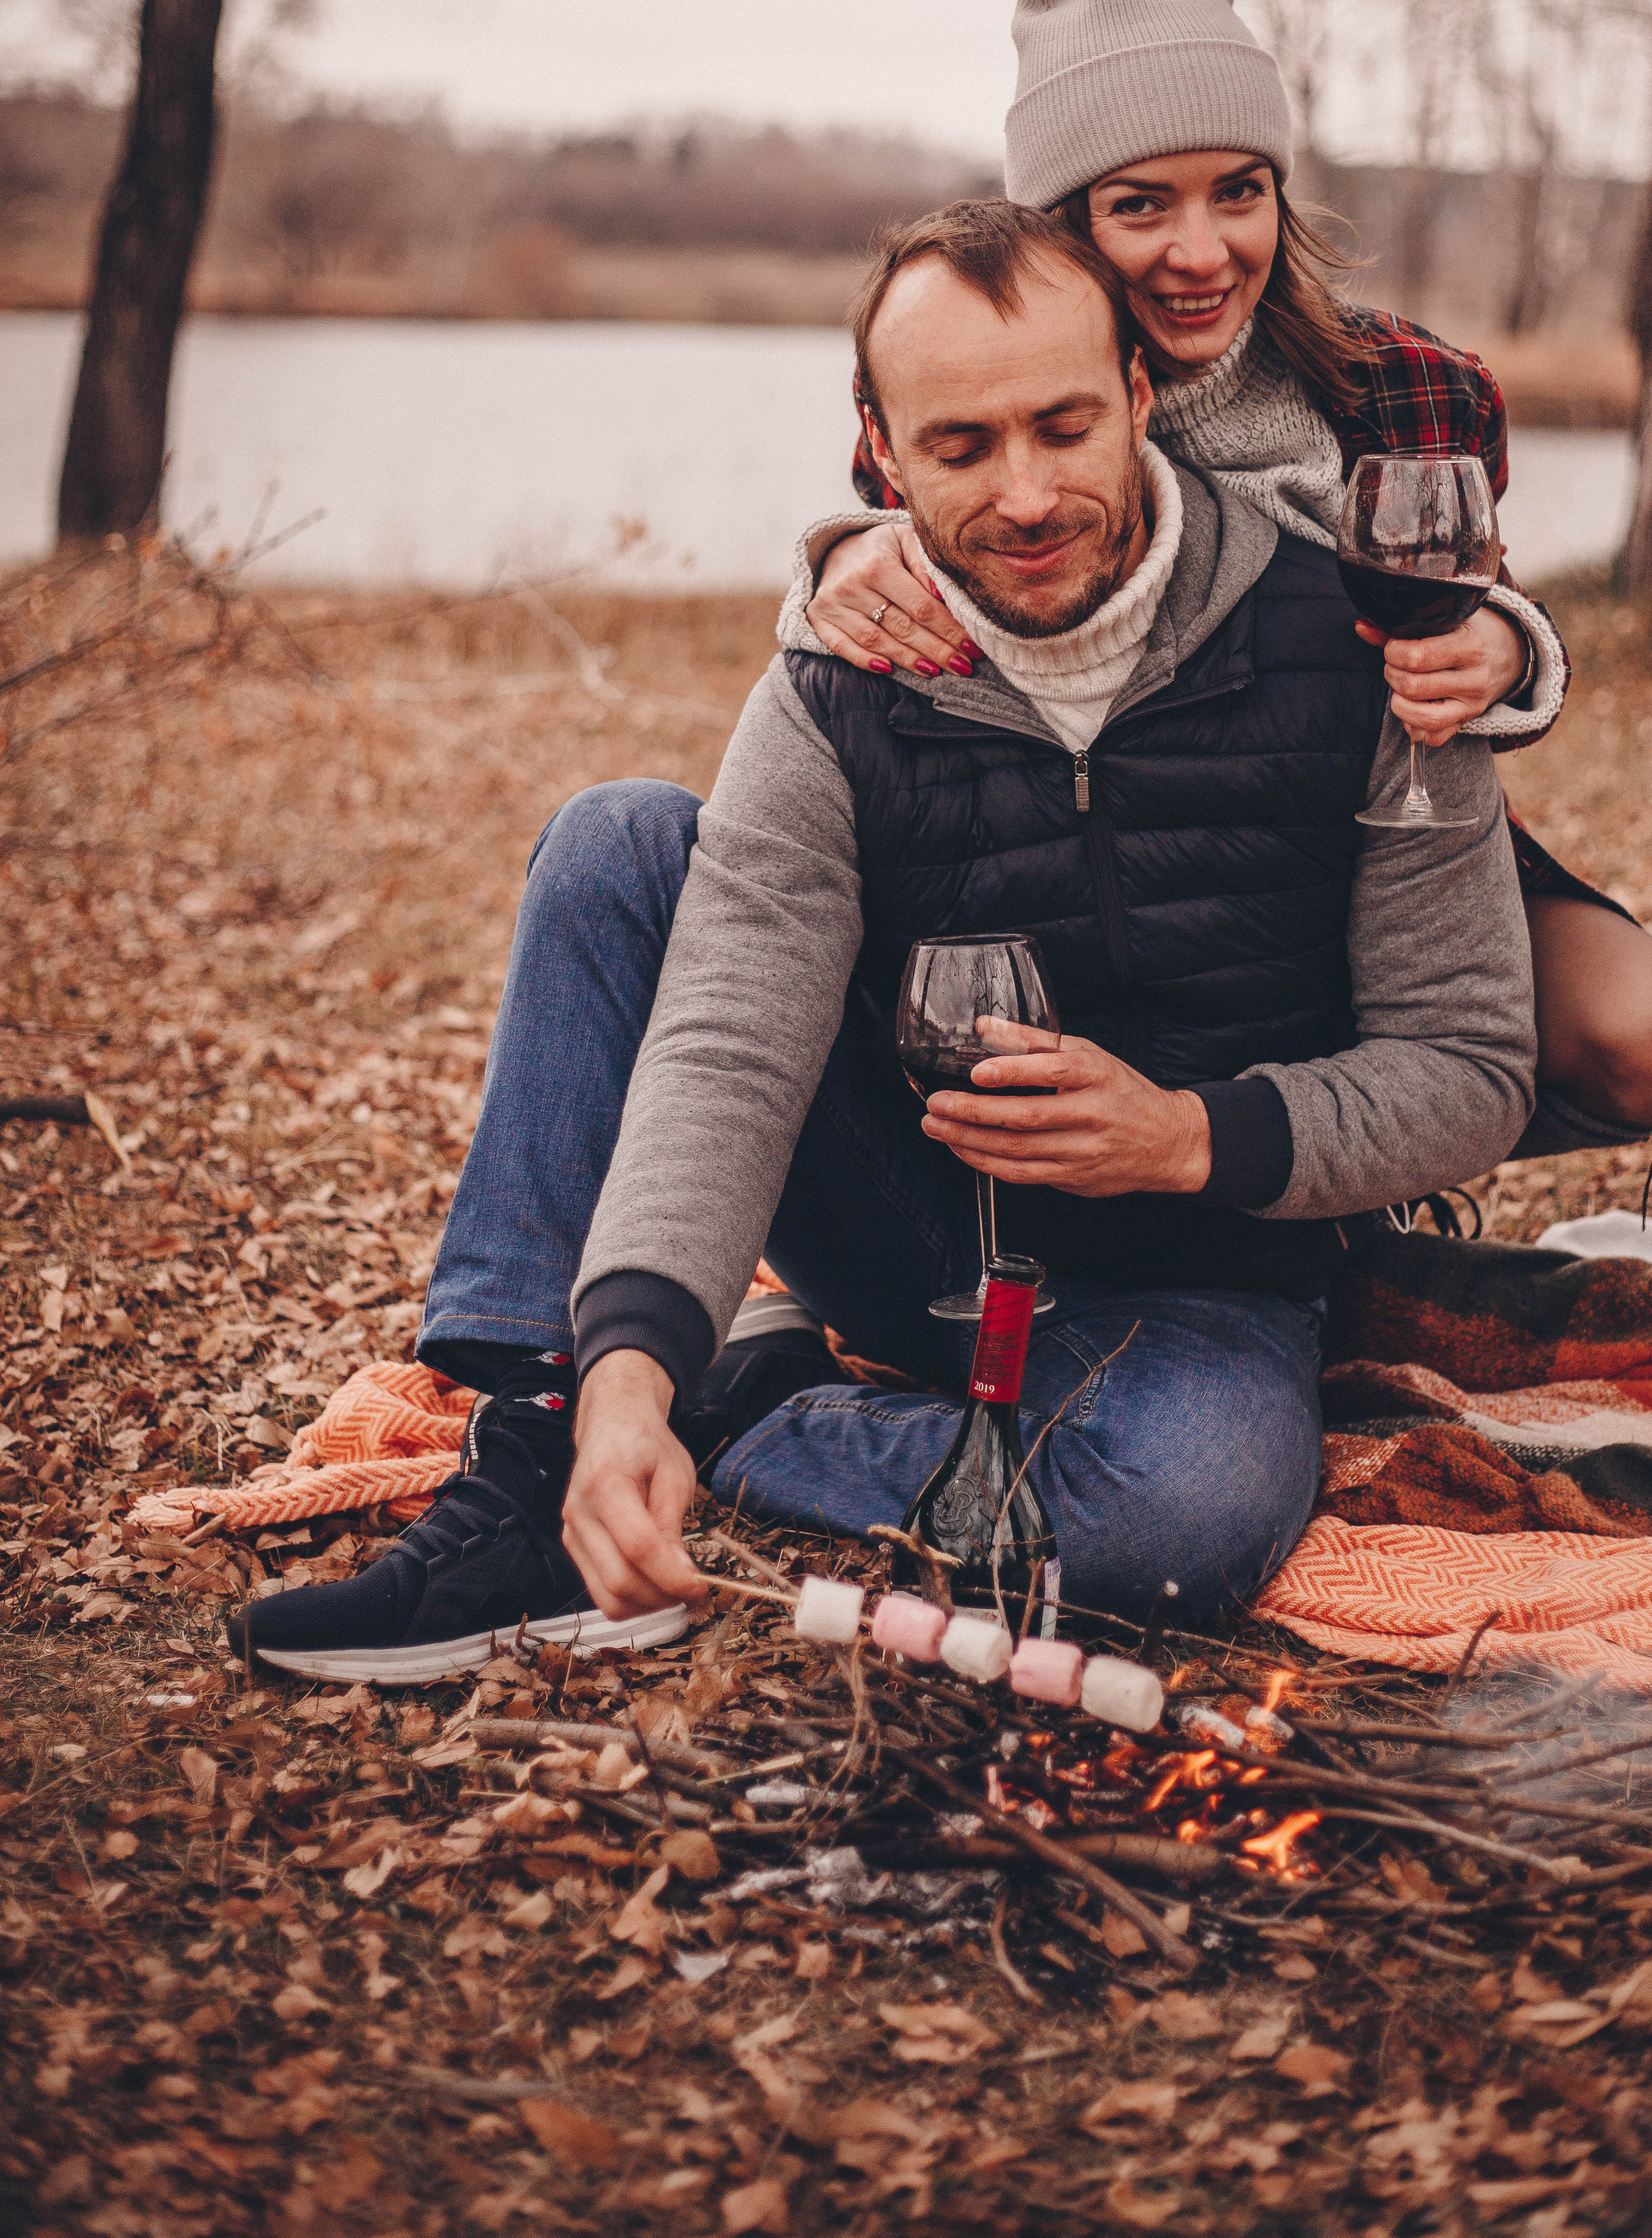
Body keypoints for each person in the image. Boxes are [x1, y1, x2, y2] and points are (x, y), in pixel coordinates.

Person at [231, 197, 1536, 1683]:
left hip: (1191, 1278)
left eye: (1060, 425)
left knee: (1171, 1527)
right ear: (882, 448)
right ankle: (547, 1446)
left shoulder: (1369, 651)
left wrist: (1186, 1135)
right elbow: (729, 1041)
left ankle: (759, 1412)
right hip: (902, 1226)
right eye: (961, 448)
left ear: (1135, 393)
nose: (1026, 494)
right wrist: (626, 1373)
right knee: (624, 844)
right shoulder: (836, 684)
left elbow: (1468, 1062)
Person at [792, 0, 1652, 1157]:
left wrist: (1509, 649)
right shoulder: (1010, 395)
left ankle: (1362, 1160)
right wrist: (836, 560)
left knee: (1650, 1033)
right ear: (1060, 222)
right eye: (1139, 206)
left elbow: (1475, 602)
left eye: (1238, 191)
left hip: (1367, 824)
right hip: (1100, 851)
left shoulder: (1411, 392)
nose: (1201, 250)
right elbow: (913, 527)